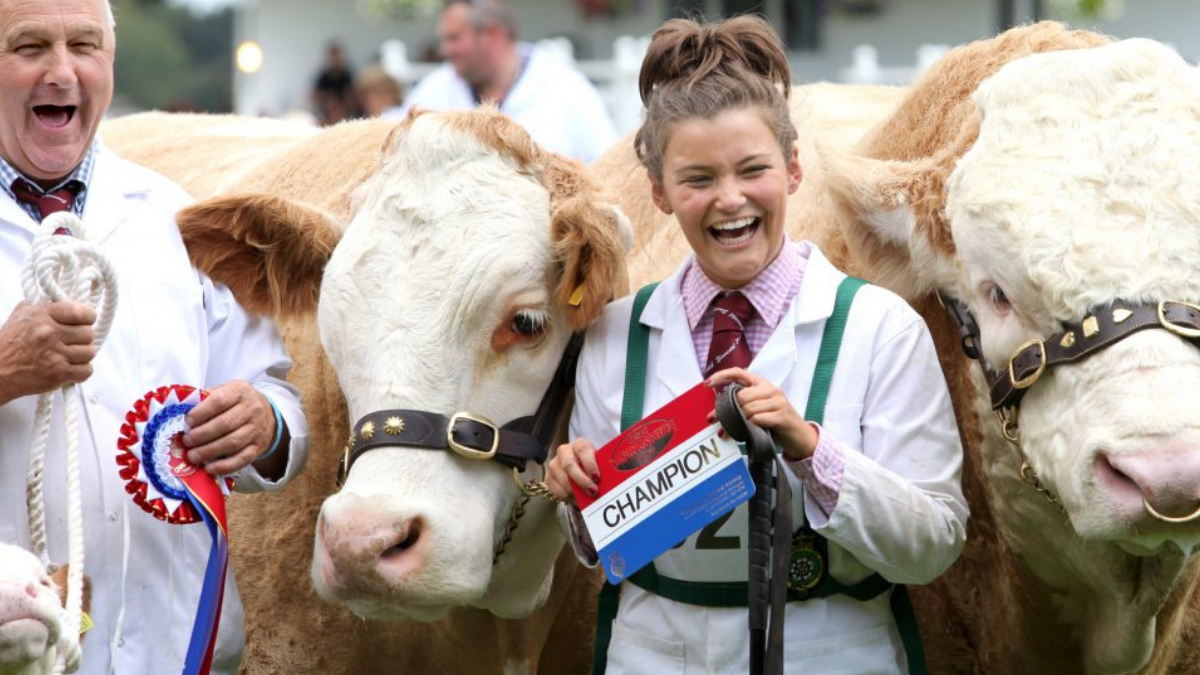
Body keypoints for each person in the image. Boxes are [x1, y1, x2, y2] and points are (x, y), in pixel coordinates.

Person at [545, 15, 967, 675]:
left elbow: (933, 545)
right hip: (650, 655)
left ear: (793, 169)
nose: (730, 198)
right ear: (659, 192)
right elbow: (605, 547)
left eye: (752, 169)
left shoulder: (879, 326)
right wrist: (577, 494)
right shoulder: (614, 331)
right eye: (697, 178)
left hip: (833, 651)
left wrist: (812, 450)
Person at [0, 1, 309, 674]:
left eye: (84, 45)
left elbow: (278, 401)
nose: (61, 71)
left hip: (175, 644)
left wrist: (265, 423)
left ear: (109, 62)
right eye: (29, 47)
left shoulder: (178, 219)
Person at [391, 0, 619, 163]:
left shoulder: (567, 89)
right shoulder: (435, 90)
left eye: (454, 38)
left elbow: (607, 166)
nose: (445, 49)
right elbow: (393, 147)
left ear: (492, 34)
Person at [312, 41, 358, 125]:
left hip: (345, 112)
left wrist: (342, 106)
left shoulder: (347, 76)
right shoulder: (323, 77)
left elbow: (352, 97)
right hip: (326, 112)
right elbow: (315, 97)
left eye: (337, 56)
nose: (335, 59)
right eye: (333, 56)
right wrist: (328, 101)